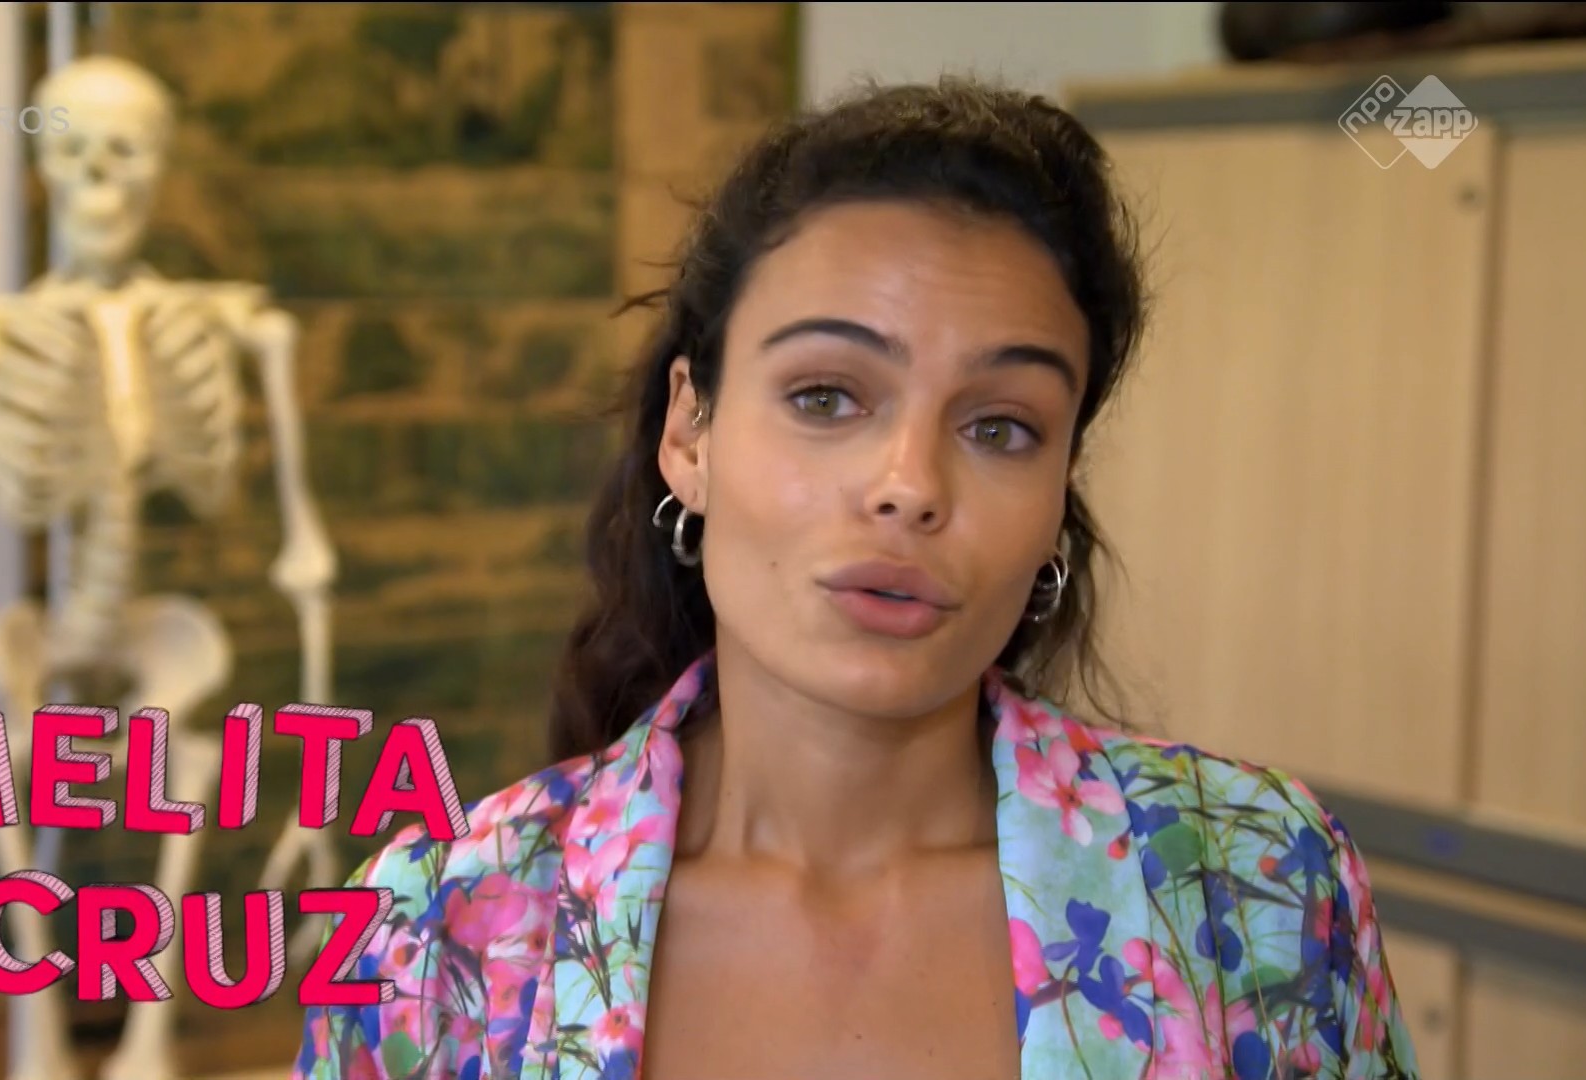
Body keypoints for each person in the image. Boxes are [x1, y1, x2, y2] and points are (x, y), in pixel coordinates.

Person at [291, 76, 1420, 1080]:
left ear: (1059, 494)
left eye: (1000, 427)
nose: (909, 486)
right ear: (689, 432)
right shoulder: (437, 929)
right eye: (827, 397)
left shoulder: (1257, 887)